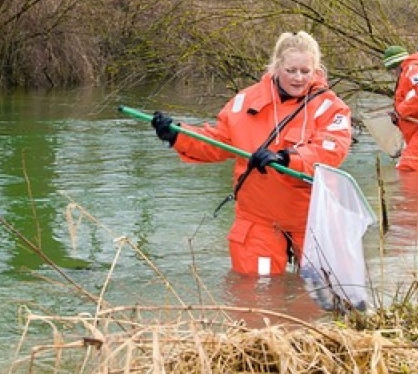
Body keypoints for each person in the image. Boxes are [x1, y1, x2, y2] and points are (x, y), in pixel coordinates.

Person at [150, 31, 353, 276]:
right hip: (258, 219)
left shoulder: (331, 107)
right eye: (291, 71)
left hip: (312, 217)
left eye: (305, 71)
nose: (298, 78)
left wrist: (286, 157)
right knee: (257, 292)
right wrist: (177, 134)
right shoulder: (244, 101)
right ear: (276, 66)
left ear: (316, 69)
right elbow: (217, 142)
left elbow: (331, 149)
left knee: (322, 293)